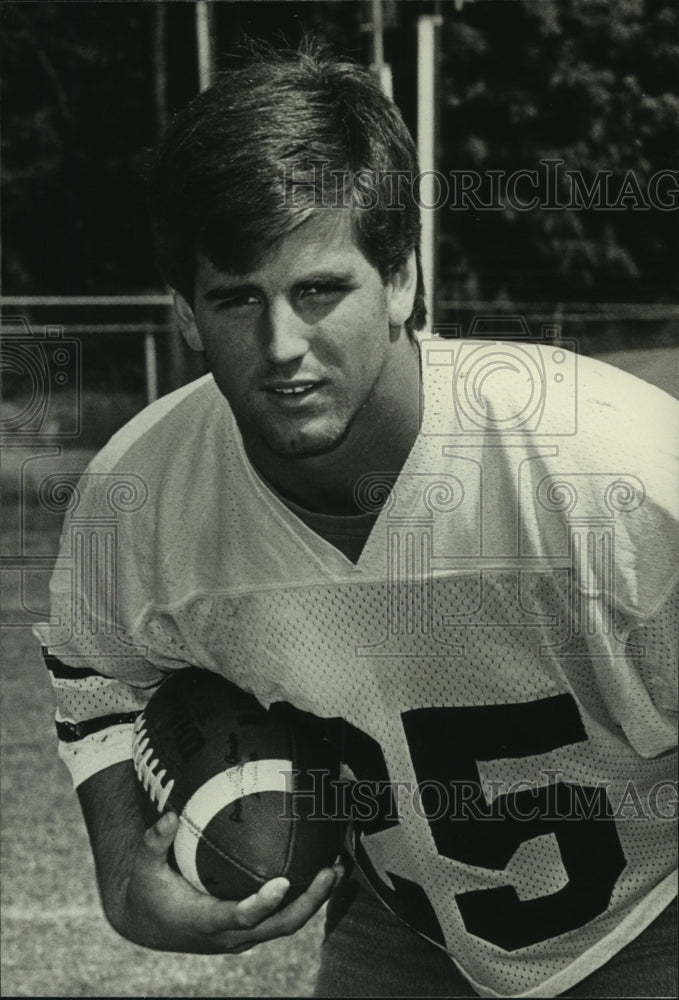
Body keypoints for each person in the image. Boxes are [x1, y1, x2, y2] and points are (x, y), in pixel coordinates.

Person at [35, 42, 677, 997]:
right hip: (403, 924)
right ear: (182, 312)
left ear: (403, 281)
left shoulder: (613, 476)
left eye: (319, 290)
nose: (282, 346)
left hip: (650, 919)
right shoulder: (145, 492)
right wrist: (126, 873)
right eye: (236, 299)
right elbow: (95, 671)